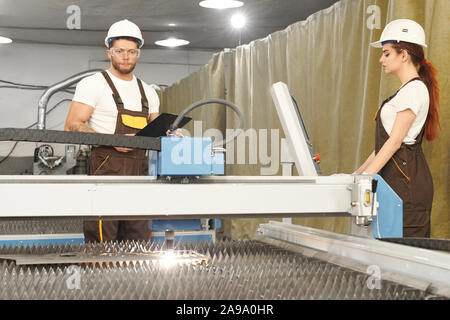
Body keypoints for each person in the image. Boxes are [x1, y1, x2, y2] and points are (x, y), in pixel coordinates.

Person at [64, 19, 160, 243]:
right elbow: (72, 125)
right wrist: (111, 140)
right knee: (101, 240)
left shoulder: (148, 92)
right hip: (105, 169)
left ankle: (131, 279)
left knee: (138, 241)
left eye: (131, 51)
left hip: (139, 173)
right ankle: (99, 278)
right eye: (120, 51)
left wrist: (171, 134)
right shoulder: (93, 84)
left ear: (138, 53)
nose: (126, 56)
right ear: (109, 52)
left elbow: (157, 129)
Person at [355, 19, 440, 238]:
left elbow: (394, 143)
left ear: (404, 55)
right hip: (396, 184)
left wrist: (366, 179)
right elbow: (385, 144)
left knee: (406, 259)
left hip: (407, 188)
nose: (381, 59)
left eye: (386, 53)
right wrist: (359, 173)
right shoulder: (406, 91)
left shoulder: (414, 90)